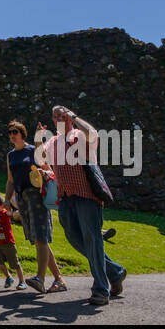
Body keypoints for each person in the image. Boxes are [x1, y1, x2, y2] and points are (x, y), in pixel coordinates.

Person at [41, 105, 126, 307]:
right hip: (65, 198)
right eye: (56, 117)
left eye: (62, 116)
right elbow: (42, 160)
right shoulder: (53, 141)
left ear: (69, 117)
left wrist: (75, 117)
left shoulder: (79, 135)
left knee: (93, 239)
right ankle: (114, 271)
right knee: (74, 238)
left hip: (86, 196)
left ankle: (100, 290)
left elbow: (93, 133)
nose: (59, 119)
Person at [6, 120, 66, 293]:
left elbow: (46, 165)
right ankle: (59, 279)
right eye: (10, 132)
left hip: (36, 196)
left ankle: (40, 278)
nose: (12, 134)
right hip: (22, 199)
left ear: (22, 133)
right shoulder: (10, 155)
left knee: (41, 237)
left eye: (15, 131)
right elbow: (10, 180)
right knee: (38, 239)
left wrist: (39, 137)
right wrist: (6, 200)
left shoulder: (32, 150)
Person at [0, 194, 26, 289]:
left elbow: (10, 212)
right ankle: (9, 277)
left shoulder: (5, 214)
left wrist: (8, 204)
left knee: (14, 263)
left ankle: (22, 281)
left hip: (8, 243)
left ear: (1, 205)